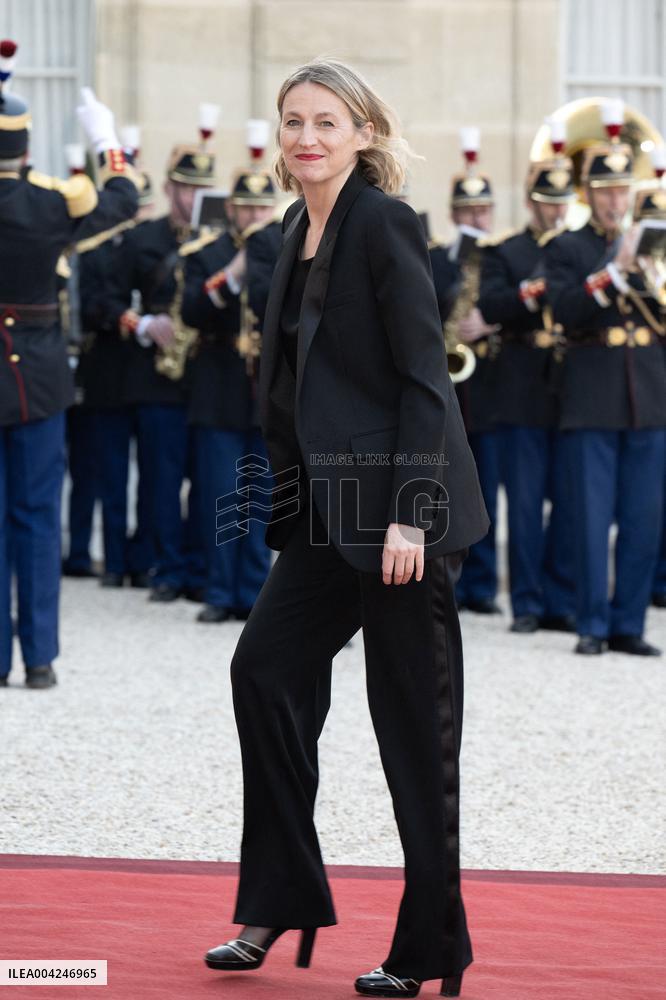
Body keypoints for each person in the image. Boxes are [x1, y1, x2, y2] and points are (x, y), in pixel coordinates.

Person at [202, 59, 488, 999]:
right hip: (324, 514)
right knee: (264, 671)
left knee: (414, 729)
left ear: (364, 133)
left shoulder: (384, 223)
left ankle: (429, 947)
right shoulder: (296, 227)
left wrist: (413, 513)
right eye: (292, 121)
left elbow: (422, 379)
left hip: (400, 516)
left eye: (327, 121)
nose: (306, 137)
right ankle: (280, 895)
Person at [0, 46, 140, 689]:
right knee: (35, 516)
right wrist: (106, 139)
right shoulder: (54, 201)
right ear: (25, 149)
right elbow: (122, 197)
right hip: (40, 379)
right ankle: (41, 659)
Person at [545, 114, 666, 656]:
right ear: (588, 196)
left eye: (622, 192)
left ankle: (628, 624)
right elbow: (565, 311)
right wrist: (613, 271)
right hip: (592, 395)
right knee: (591, 519)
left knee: (643, 518)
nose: (615, 203)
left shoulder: (656, 247)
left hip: (650, 395)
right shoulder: (568, 247)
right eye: (605, 193)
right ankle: (591, 622)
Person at [106, 139, 217, 602]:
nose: (192, 199)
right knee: (161, 479)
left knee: (207, 479)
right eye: (185, 188)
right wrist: (144, 324)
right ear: (170, 188)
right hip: (155, 377)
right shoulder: (141, 239)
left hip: (206, 377)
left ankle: (197, 568)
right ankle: (165, 566)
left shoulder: (220, 240)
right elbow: (105, 299)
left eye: (202, 190)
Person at [475, 153, 576, 633]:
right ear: (530, 203)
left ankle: (561, 598)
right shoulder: (506, 250)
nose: (555, 212)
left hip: (572, 386)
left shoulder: (580, 249)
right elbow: (491, 304)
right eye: (546, 203)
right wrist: (537, 289)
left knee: (573, 500)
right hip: (519, 386)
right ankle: (528, 601)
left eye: (561, 203)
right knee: (526, 501)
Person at [181, 149, 279, 623]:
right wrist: (234, 273)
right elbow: (191, 311)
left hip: (265, 389)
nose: (256, 216)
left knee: (261, 494)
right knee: (221, 492)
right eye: (247, 208)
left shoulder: (285, 249)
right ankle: (220, 590)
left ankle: (256, 590)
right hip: (219, 385)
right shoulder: (209, 254)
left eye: (264, 209)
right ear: (233, 209)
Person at [75, 170, 156, 588]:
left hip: (145, 375)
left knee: (148, 476)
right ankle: (114, 559)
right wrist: (128, 318)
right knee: (110, 471)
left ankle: (141, 559)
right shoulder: (95, 249)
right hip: (106, 370)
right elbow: (90, 305)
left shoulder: (153, 245)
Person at [431, 132, 501, 615]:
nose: (477, 219)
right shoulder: (437, 258)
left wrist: (490, 322)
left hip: (489, 390)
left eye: (484, 211)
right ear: (454, 214)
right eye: (468, 212)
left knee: (486, 487)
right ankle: (446, 577)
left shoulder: (501, 258)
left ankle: (483, 585)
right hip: (443, 390)